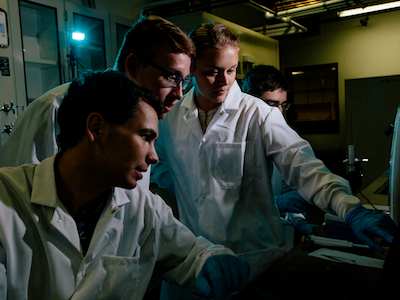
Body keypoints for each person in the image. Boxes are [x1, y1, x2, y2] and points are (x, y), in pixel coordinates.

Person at [151, 22, 397, 297]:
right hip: (194, 266)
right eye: (212, 72)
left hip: (252, 262)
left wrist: (349, 208)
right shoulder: (171, 118)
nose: (224, 81)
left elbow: (302, 165)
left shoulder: (258, 114)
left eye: (231, 71)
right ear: (192, 67)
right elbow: (159, 167)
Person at [0, 69, 250, 300]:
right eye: (145, 137)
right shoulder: (6, 201)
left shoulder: (141, 207)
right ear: (97, 128)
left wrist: (210, 260)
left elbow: (187, 254)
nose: (154, 157)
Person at [0, 15, 193, 189]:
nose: (179, 93)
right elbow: (13, 195)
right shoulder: (55, 108)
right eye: (171, 77)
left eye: (184, 82)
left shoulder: (146, 120)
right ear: (133, 66)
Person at [242, 64, 317, 237]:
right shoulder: (232, 142)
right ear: (249, 101)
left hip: (275, 235)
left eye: (283, 105)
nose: (279, 113)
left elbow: (285, 191)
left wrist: (298, 220)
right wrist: (275, 203)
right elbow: (227, 206)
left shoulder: (280, 139)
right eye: (271, 105)